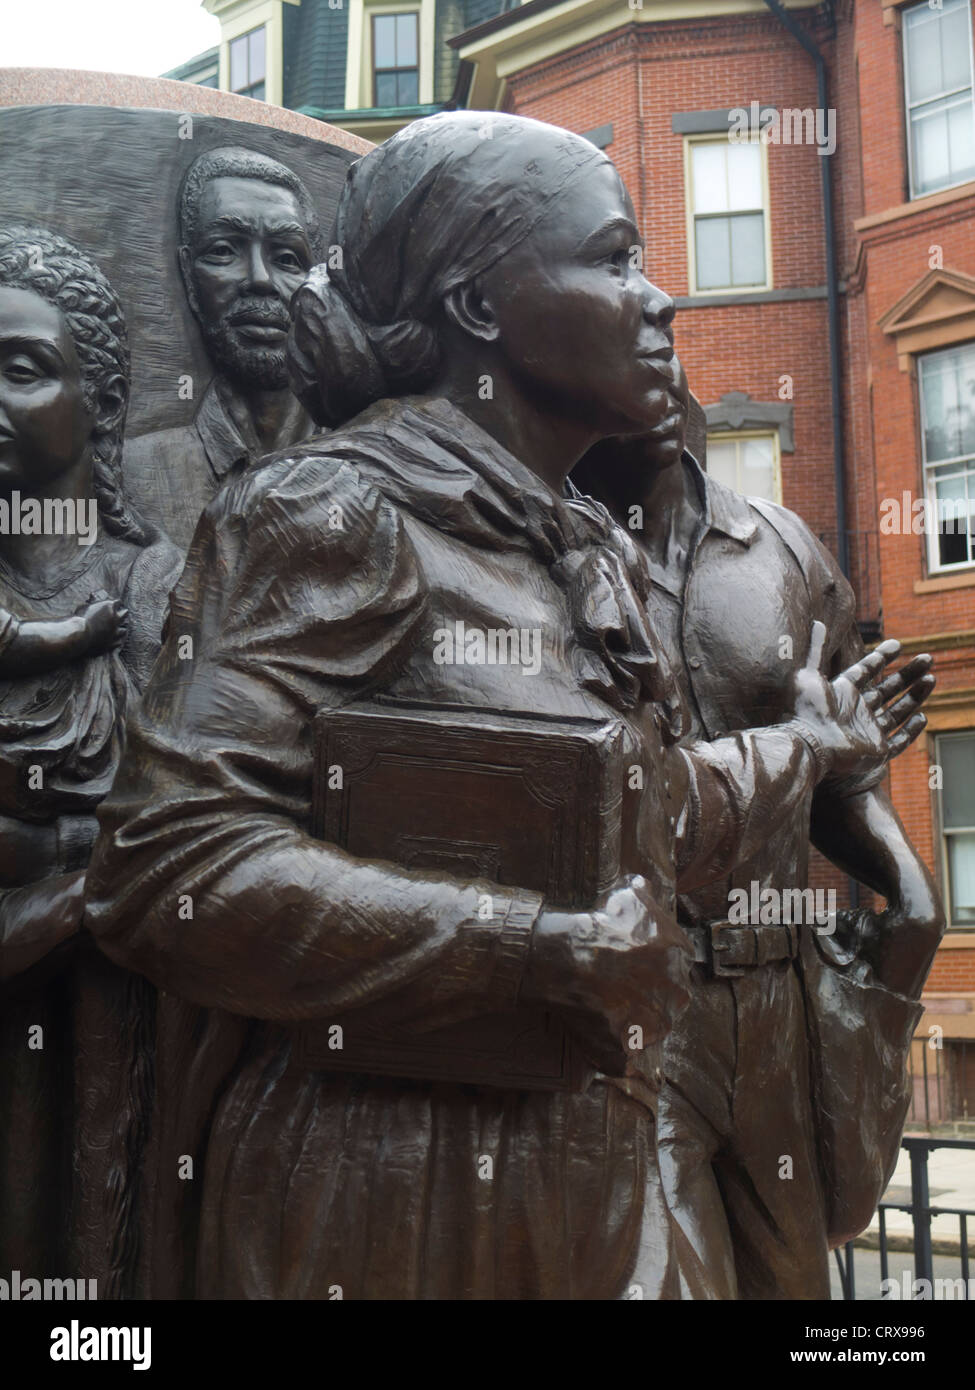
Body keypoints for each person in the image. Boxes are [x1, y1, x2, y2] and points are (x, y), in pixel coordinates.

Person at [85, 113, 928, 1300]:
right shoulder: (333, 513)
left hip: (577, 1177)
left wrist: (805, 749)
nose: (660, 301)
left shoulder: (579, 544)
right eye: (615, 257)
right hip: (387, 1201)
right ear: (478, 309)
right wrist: (528, 954)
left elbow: (643, 809)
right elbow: (165, 866)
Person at [573, 356, 943, 1298]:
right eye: (624, 365)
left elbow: (837, 764)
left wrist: (906, 892)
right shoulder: (549, 547)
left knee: (795, 1291)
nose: (651, 383)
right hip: (640, 1013)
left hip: (776, 1004)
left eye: (667, 366)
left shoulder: (782, 547)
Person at [0, 225, 182, 1293]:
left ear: (102, 401)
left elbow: (194, 816)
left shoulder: (156, 588)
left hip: (113, 1024)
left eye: (24, 369)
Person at [122, 147, 323, 549]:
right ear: (187, 275)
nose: (261, 280)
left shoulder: (367, 465)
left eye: (286, 257)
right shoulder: (130, 475)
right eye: (224, 251)